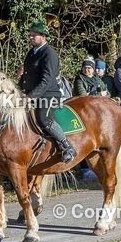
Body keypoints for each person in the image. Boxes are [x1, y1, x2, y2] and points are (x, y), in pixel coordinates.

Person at [18, 21, 76, 162]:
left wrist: (31, 96)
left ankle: (66, 146)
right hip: (32, 94)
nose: (30, 38)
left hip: (49, 95)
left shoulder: (49, 53)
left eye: (34, 35)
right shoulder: (32, 52)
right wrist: (19, 88)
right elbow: (26, 75)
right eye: (30, 35)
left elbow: (47, 80)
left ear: (43, 36)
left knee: (44, 119)